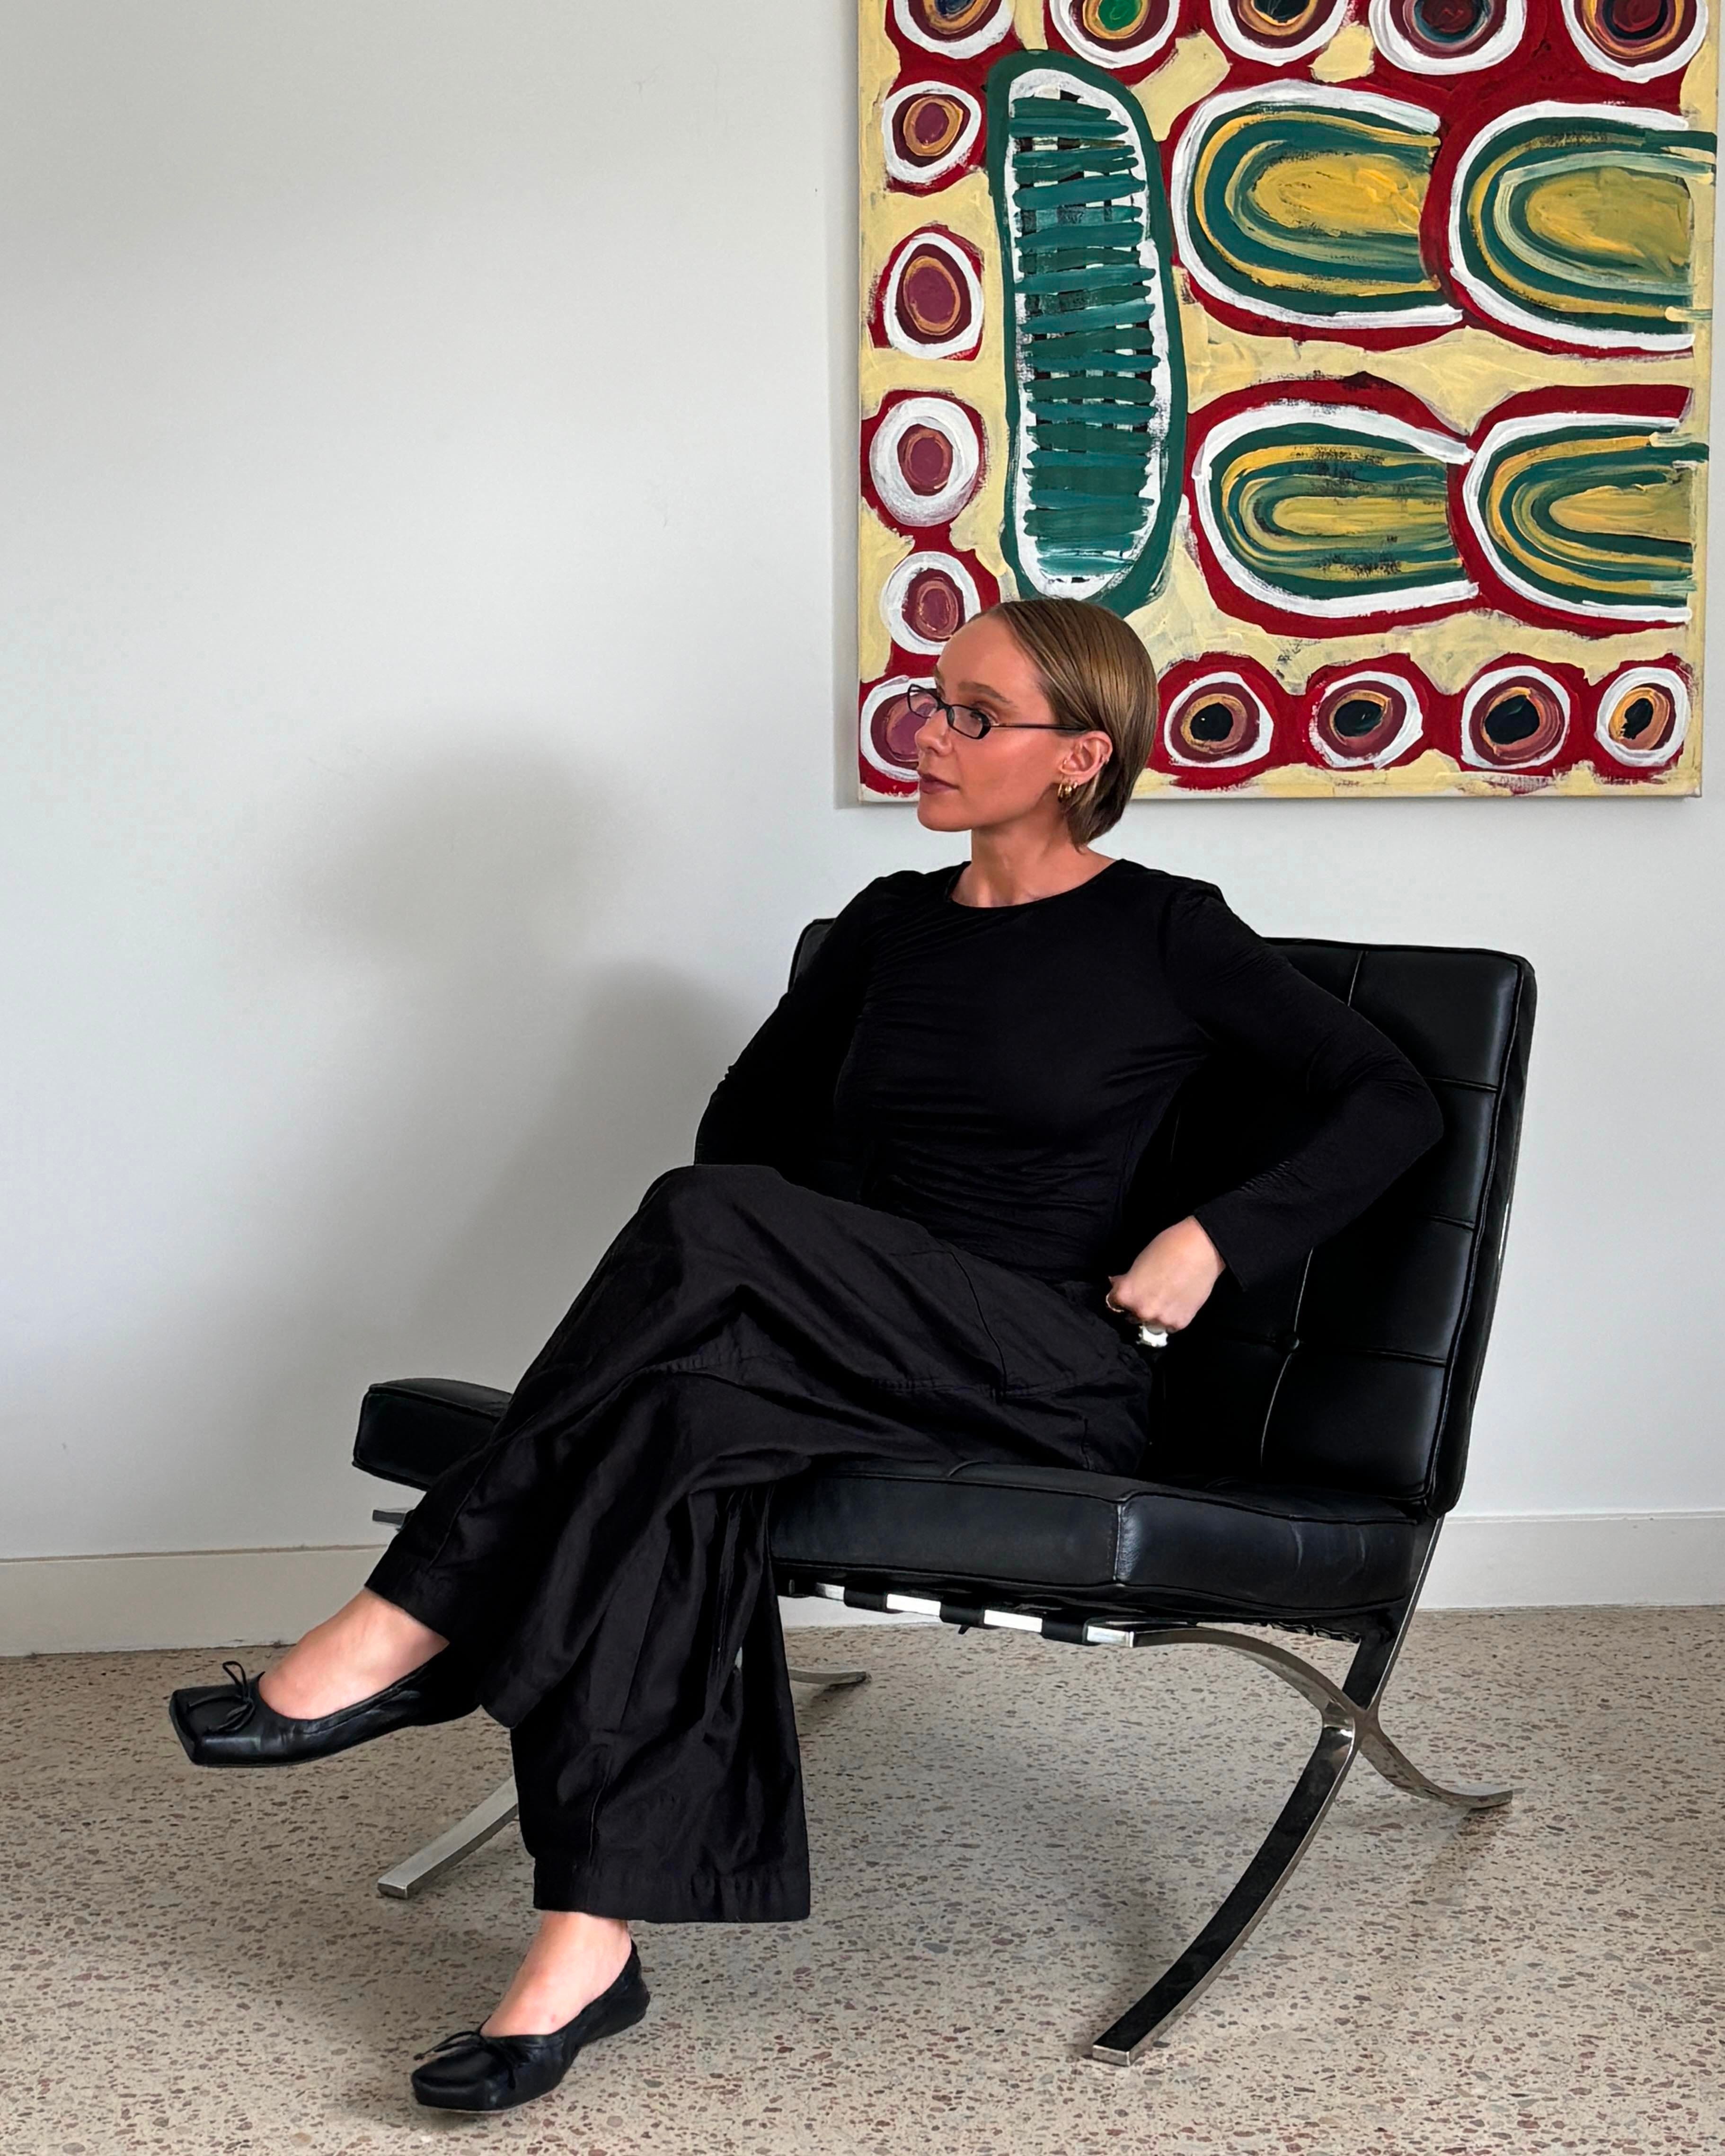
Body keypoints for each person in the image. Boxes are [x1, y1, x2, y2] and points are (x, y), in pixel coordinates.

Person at [169, 597, 1442, 2114]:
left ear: (1079, 756)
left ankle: (411, 1617)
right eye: (931, 698)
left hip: (1047, 1359)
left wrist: (1214, 1237)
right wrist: (828, 1264)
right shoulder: (891, 924)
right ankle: (584, 1950)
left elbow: (1392, 1100)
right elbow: (747, 1130)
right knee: (673, 1429)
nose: (929, 731)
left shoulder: (1167, 929)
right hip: (853, 1350)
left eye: (975, 713)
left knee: (700, 1221)